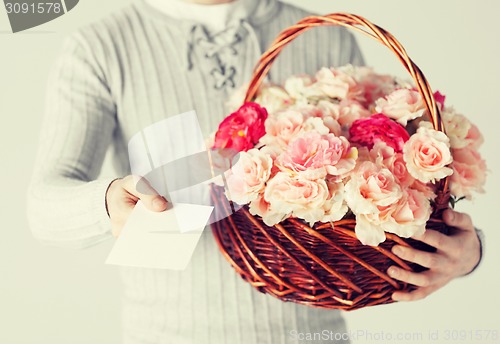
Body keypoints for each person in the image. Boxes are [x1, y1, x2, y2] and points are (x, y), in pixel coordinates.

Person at [27, 0, 483, 343]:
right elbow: (43, 205)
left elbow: (376, 194)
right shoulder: (101, 47)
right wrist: (107, 203)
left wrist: (466, 252)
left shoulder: (321, 35)